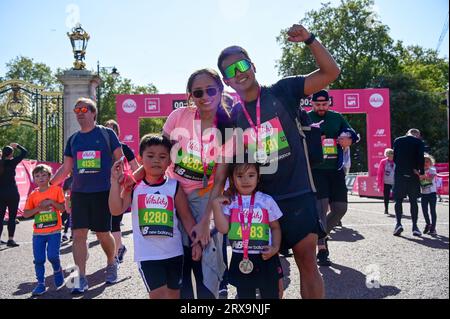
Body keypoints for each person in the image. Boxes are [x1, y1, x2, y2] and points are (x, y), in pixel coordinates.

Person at [193, 23, 340, 299]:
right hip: (259, 203)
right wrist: (209, 213)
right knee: (268, 275)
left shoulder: (283, 90)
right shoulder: (232, 117)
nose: (239, 73)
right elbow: (222, 169)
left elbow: (331, 72)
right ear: (226, 81)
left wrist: (309, 39)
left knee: (308, 263)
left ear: (253, 66)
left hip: (298, 195)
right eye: (231, 71)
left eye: (243, 65)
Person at [109, 134, 202, 299]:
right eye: (150, 156)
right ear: (141, 158)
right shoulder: (135, 186)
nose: (156, 160)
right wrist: (115, 183)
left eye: (162, 156)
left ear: (169, 162)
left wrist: (196, 242)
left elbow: (187, 218)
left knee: (174, 296)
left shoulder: (174, 186)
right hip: (148, 256)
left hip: (175, 253)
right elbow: (116, 210)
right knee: (158, 295)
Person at [50, 97, 124, 294]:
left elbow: (120, 158)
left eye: (83, 108)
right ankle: (81, 277)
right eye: (76, 110)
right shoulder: (73, 139)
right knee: (78, 235)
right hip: (80, 193)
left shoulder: (106, 134)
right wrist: (51, 184)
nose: (79, 112)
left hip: (103, 192)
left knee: (102, 234)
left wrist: (119, 178)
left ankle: (111, 260)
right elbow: (66, 168)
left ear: (93, 112)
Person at [212, 162, 282, 299]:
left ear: (258, 177)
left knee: (271, 296)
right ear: (232, 178)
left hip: (265, 257)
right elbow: (223, 228)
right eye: (240, 176)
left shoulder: (266, 201)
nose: (245, 180)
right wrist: (215, 205)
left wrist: (275, 247)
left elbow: (276, 227)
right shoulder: (230, 202)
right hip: (241, 259)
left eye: (251, 175)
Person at [308, 89, 359, 266]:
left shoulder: (336, 117)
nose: (321, 108)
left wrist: (349, 140)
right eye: (317, 104)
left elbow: (353, 134)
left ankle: (318, 235)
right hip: (316, 170)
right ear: (312, 104)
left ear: (329, 103)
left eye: (324, 104)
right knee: (321, 210)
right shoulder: (305, 117)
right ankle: (322, 249)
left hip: (336, 170)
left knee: (340, 209)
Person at [23, 164, 66, 296]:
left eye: (43, 175)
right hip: (38, 233)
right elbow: (25, 214)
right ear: (34, 179)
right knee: (39, 259)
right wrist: (38, 209)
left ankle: (57, 270)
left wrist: (51, 202)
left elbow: (62, 208)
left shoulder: (56, 190)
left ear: (49, 176)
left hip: (54, 231)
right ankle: (40, 284)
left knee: (53, 256)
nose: (40, 178)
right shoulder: (33, 194)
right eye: (37, 176)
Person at [105, 119, 139, 264]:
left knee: (115, 220)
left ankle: (117, 252)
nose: (109, 133)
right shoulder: (100, 149)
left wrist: (130, 181)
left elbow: (136, 167)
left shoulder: (124, 148)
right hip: (103, 189)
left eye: (112, 130)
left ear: (117, 133)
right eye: (106, 130)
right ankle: (120, 248)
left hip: (121, 188)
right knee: (106, 223)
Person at [392, 128, 425, 237]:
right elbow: (421, 158)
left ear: (407, 133)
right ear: (417, 135)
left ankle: (398, 224)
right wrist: (421, 171)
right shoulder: (419, 142)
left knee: (398, 200)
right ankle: (415, 227)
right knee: (413, 201)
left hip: (400, 174)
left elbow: (395, 158)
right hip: (413, 174)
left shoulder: (398, 140)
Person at [0, 143, 28, 247]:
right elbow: (25, 152)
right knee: (12, 217)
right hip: (12, 192)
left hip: (1, 193)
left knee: (0, 217)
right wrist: (18, 146)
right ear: (11, 154)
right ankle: (10, 239)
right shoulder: (12, 162)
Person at [419, 153, 438, 236]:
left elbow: (430, 178)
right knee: (424, 210)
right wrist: (419, 173)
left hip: (432, 193)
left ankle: (433, 228)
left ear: (430, 163)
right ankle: (428, 224)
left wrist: (419, 174)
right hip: (424, 194)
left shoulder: (432, 169)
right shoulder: (420, 170)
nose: (425, 163)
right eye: (423, 161)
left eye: (427, 161)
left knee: (432, 211)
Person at [377, 148, 395, 215]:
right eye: (389, 154)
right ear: (386, 155)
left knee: (397, 196)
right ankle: (386, 209)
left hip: (395, 182)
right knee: (386, 196)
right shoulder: (383, 161)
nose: (390, 156)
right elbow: (379, 172)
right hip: (386, 182)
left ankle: (398, 209)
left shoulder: (396, 161)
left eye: (392, 154)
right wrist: (379, 181)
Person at [61, 173, 73, 242]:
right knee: (69, 217)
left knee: (72, 218)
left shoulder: (81, 177)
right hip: (69, 201)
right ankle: (65, 234)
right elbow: (64, 190)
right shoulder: (67, 180)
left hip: (78, 200)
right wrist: (66, 198)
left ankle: (71, 235)